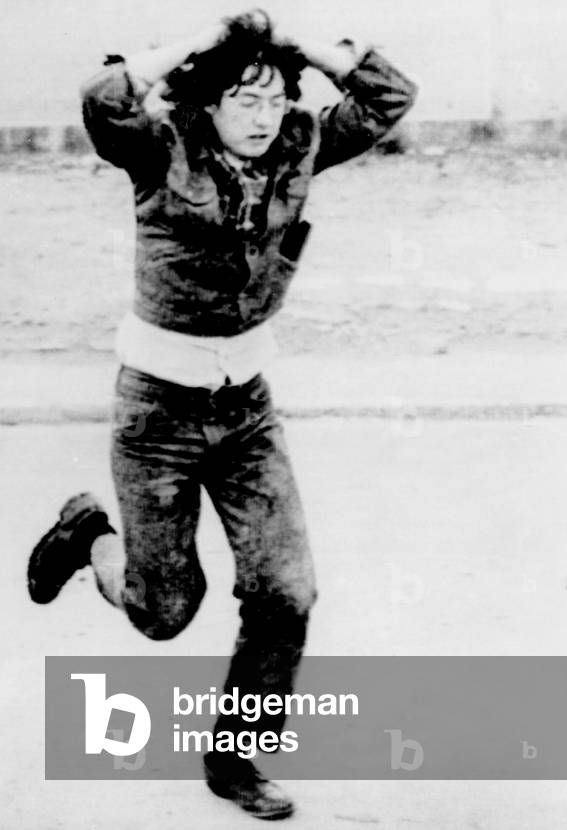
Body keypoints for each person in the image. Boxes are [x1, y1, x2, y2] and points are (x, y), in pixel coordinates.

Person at [27, 11, 416, 820]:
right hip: (156, 416)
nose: (262, 113)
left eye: (274, 96)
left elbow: (386, 96)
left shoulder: (301, 144)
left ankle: (237, 759)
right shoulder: (160, 148)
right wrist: (202, 46)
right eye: (242, 96)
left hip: (246, 411)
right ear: (206, 103)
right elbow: (102, 99)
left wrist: (291, 45)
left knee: (287, 592)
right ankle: (87, 534)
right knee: (163, 612)